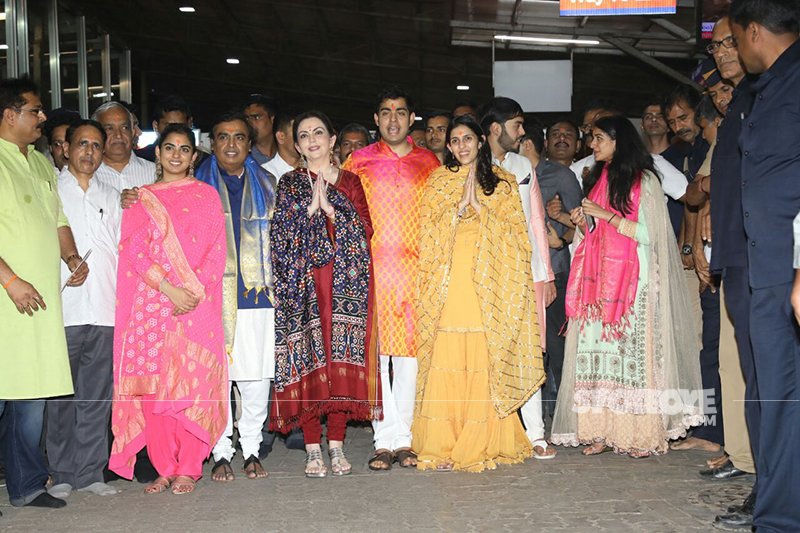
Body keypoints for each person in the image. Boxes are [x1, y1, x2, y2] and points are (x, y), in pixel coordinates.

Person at [551, 115, 704, 458]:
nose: (592, 145)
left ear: (618, 140)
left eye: (598, 138)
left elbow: (652, 236)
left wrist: (605, 216)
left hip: (634, 285)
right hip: (599, 286)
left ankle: (640, 434)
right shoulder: (599, 178)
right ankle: (601, 430)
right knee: (598, 359)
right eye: (591, 139)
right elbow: (594, 234)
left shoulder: (645, 180)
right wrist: (584, 220)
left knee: (634, 361)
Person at [412, 115, 545, 472]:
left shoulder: (502, 182)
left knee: (483, 353)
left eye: (467, 138)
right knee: (448, 351)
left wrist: (482, 212)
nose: (460, 146)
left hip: (488, 283)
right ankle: (445, 442)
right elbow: (426, 234)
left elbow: (520, 238)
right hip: (449, 278)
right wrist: (456, 213)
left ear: (481, 140)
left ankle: (483, 439)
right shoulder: (439, 181)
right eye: (454, 141)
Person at [109, 123, 228, 495]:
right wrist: (168, 289)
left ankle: (189, 468)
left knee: (191, 384)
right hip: (152, 301)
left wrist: (189, 293)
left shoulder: (208, 196)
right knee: (156, 391)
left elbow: (216, 252)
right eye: (169, 148)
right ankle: (164, 466)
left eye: (184, 149)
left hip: (195, 303)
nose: (176, 154)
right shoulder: (141, 198)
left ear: (193, 157)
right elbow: (133, 250)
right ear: (157, 154)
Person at [269, 111, 380, 477]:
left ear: (332, 140)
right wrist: (307, 215)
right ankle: (313, 449)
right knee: (311, 362)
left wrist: (334, 213)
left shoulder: (350, 181)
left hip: (344, 285)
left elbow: (366, 230)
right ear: (297, 144)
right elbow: (281, 237)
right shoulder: (289, 183)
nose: (312, 139)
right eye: (304, 135)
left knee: (339, 364)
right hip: (304, 285)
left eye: (319, 133)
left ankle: (337, 444)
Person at [0, 76, 88, 509]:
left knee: (30, 399)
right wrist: (11, 281)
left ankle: (28, 485)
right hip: (5, 300)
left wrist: (71, 258)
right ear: (9, 114)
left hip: (37, 305)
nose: (42, 118)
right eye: (35, 110)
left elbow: (57, 218)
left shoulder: (37, 162)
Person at [342, 86, 440, 471]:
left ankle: (406, 439)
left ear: (411, 118)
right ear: (376, 118)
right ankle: (384, 440)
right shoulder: (358, 162)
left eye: (401, 111)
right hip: (372, 269)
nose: (393, 119)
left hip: (417, 270)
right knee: (378, 356)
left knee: (411, 357)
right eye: (386, 112)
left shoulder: (429, 162)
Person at [731, 1, 800, 529]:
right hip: (764, 268)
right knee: (776, 399)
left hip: (789, 270)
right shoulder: (767, 89)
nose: (735, 50)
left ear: (754, 32)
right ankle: (778, 514)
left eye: (735, 39)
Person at [195, 112, 277, 483]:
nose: (231, 144)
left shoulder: (269, 184)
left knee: (256, 378)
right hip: (210, 300)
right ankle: (221, 451)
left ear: (249, 143)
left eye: (239, 137)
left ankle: (253, 448)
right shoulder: (195, 185)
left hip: (259, 297)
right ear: (212, 143)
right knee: (217, 379)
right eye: (223, 137)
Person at [46, 120, 121, 500]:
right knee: (60, 397)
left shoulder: (114, 194)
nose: (88, 152)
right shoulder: (51, 192)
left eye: (95, 145)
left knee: (95, 396)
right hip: (65, 309)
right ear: (65, 148)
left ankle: (91, 471)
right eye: (81, 144)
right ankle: (60, 472)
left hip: (106, 308)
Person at [480, 96, 556, 459]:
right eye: (517, 125)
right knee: (487, 354)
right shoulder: (472, 164)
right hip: (484, 276)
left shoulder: (523, 164)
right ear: (496, 129)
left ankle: (537, 433)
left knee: (529, 351)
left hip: (526, 274)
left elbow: (536, 220)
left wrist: (546, 274)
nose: (522, 132)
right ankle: (493, 430)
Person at [92, 102, 157, 192]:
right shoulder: (89, 175)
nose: (118, 135)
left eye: (124, 128)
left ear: (133, 132)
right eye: (109, 129)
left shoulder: (154, 173)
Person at [134, 95, 198, 164]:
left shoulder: (204, 163)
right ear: (155, 125)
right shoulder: (140, 159)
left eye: (180, 126)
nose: (174, 131)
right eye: (169, 127)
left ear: (190, 124)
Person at [262, 111, 300, 181]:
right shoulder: (264, 174)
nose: (304, 139)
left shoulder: (315, 168)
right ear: (281, 137)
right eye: (298, 133)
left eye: (304, 134)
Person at [244, 94, 278, 165]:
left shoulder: (286, 154)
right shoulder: (242, 158)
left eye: (256, 117)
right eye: (247, 118)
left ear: (272, 119)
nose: (250, 123)